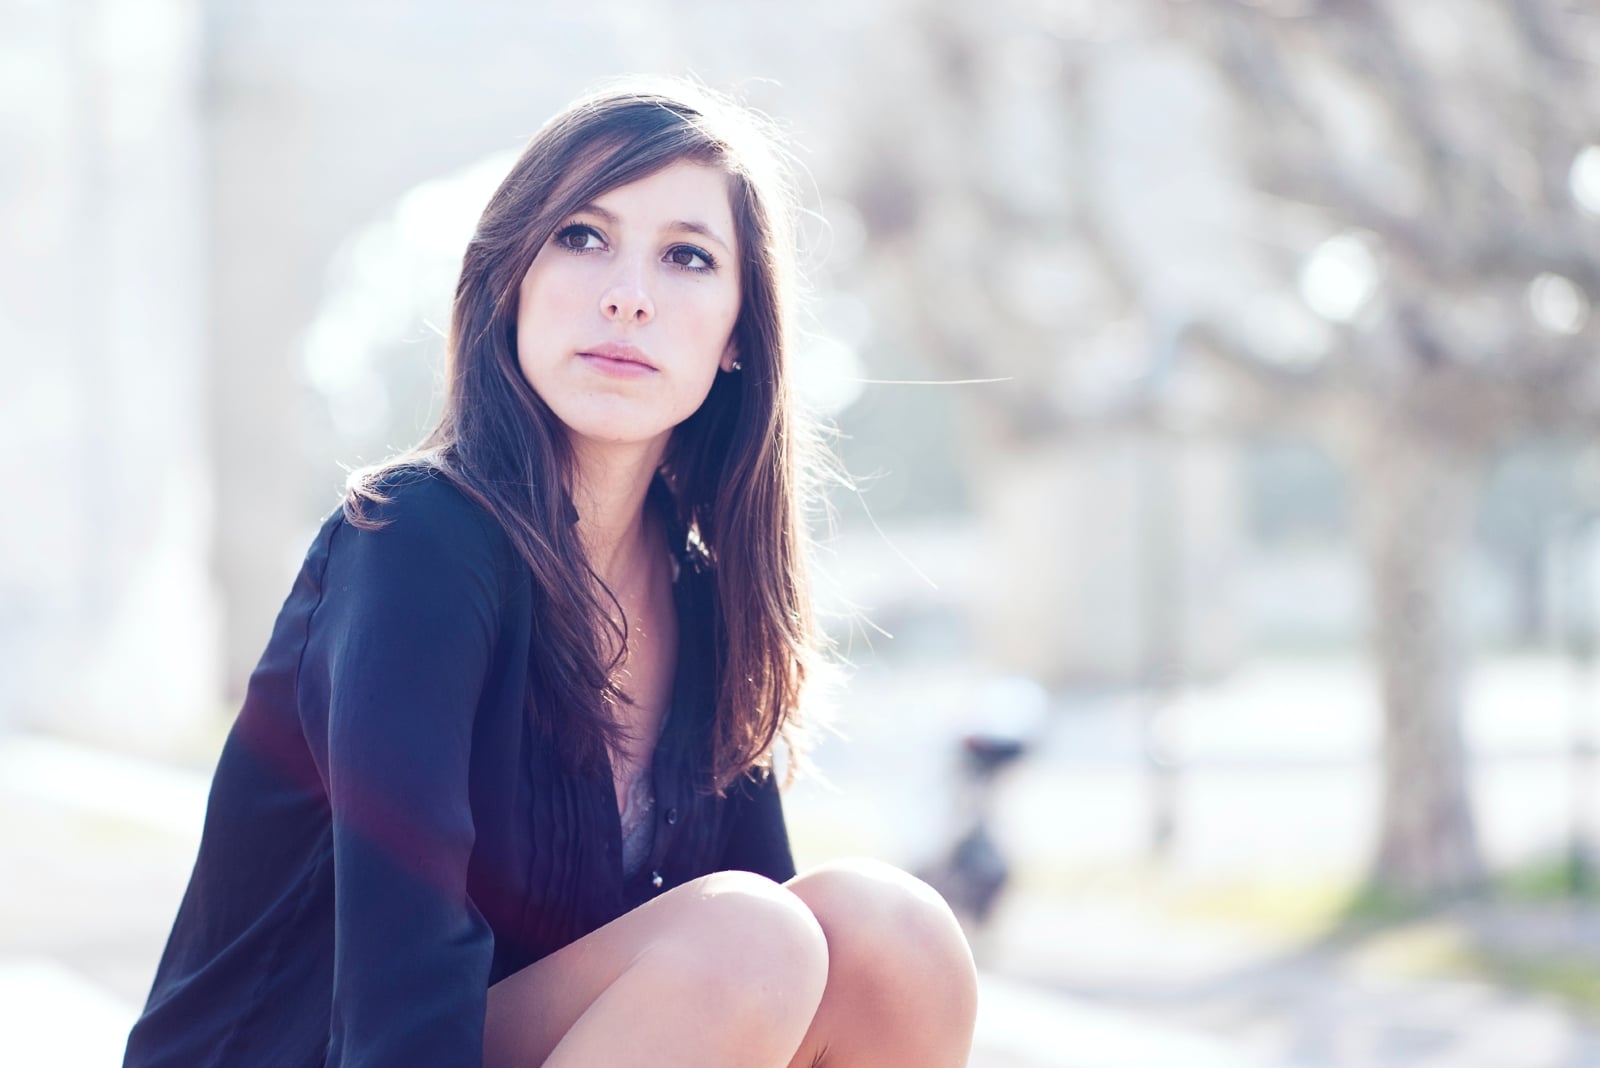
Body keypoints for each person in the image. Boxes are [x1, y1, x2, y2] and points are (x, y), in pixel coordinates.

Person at [123, 78, 978, 1067]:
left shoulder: (702, 601)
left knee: (886, 934)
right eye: (581, 236)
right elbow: (401, 985)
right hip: (332, 1051)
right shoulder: (417, 541)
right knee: (752, 940)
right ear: (510, 278)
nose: (627, 293)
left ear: (740, 333)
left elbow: (770, 1009)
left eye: (687, 257)